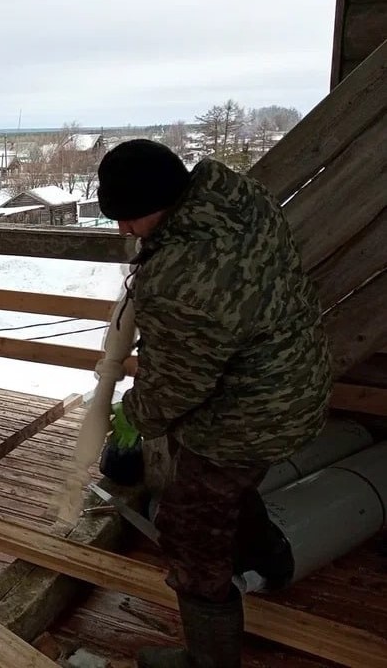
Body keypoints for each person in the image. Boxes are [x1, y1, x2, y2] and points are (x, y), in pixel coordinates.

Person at [97, 139, 332, 668]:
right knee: (225, 489)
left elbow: (179, 384)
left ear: (163, 199)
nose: (124, 230)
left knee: (190, 530)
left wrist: (130, 422)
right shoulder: (236, 199)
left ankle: (209, 660)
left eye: (130, 217)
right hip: (297, 381)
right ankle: (269, 561)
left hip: (248, 412)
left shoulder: (185, 276)